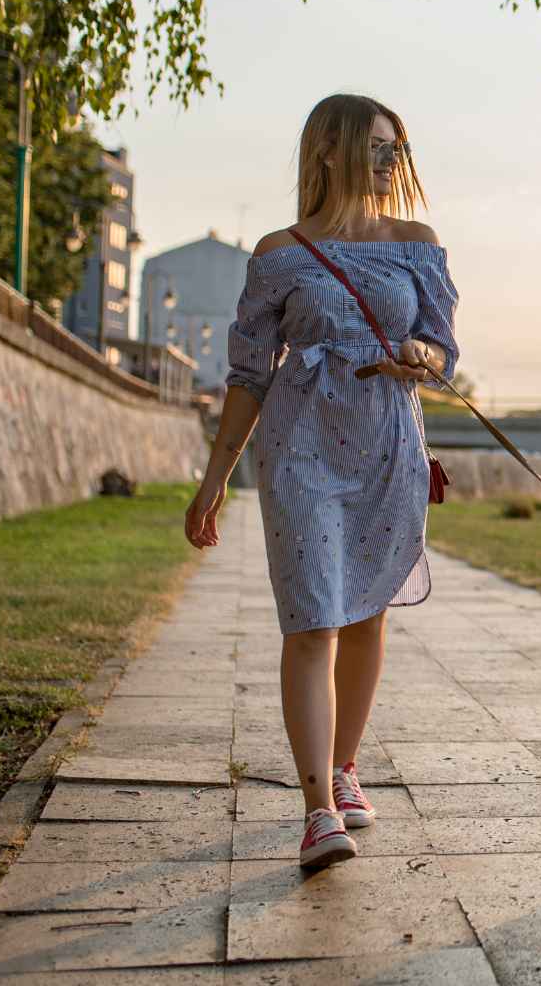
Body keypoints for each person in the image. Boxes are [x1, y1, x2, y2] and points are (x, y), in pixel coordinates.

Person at [184, 93, 458, 870]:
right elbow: (247, 374)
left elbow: (442, 351)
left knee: (366, 611)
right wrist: (214, 479)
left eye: (395, 148)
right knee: (312, 621)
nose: (388, 160)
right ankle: (316, 812)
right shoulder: (280, 254)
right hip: (301, 447)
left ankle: (343, 768)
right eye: (374, 145)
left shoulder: (417, 245)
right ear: (329, 149)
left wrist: (420, 357)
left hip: (385, 446)